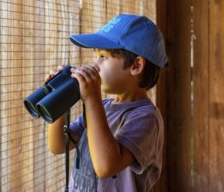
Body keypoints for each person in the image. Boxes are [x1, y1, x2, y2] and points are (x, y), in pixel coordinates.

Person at [47, 14, 168, 192]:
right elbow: (58, 145)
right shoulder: (102, 106)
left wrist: (91, 98)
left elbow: (106, 166)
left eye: (103, 57)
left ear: (136, 66)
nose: (95, 65)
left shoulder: (146, 117)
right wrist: (58, 99)